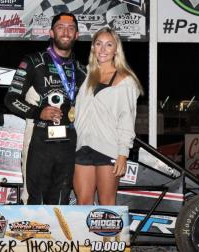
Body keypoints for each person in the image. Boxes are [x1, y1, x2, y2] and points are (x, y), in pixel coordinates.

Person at [4, 12, 87, 205]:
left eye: (71, 28)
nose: (65, 32)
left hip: (68, 142)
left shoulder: (83, 70)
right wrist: (37, 112)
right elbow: (10, 98)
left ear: (76, 35)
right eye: (60, 27)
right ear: (51, 32)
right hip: (38, 137)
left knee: (61, 200)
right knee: (35, 200)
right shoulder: (33, 61)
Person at [73, 27, 143, 205]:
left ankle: (109, 235)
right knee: (83, 203)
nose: (103, 49)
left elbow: (127, 120)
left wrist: (122, 154)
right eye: (99, 44)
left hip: (108, 148)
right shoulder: (85, 74)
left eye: (109, 45)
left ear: (116, 50)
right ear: (93, 48)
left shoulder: (125, 80)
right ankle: (85, 235)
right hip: (82, 146)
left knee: (107, 204)